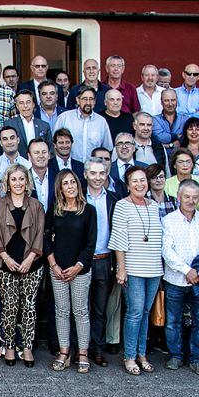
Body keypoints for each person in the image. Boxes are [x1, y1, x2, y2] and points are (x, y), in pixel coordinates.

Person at [161, 179, 199, 376]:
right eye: (186, 196)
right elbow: (166, 251)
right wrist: (186, 270)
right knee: (173, 321)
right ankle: (175, 356)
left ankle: (197, 359)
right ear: (179, 197)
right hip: (175, 279)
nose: (191, 200)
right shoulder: (168, 221)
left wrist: (198, 273)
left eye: (195, 197)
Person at [109, 166, 164, 375]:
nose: (140, 184)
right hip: (133, 268)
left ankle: (142, 354)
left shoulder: (154, 206)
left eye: (143, 180)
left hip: (153, 268)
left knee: (146, 313)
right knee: (133, 313)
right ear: (128, 184)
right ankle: (130, 356)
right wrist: (121, 269)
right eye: (135, 181)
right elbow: (119, 239)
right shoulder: (122, 206)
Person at [0, 163, 45, 366]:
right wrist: (5, 258)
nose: (18, 183)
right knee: (10, 308)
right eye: (14, 179)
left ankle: (28, 348)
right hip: (6, 265)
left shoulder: (36, 205)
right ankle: (10, 346)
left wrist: (30, 259)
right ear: (7, 182)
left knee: (29, 307)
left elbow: (40, 233)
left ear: (27, 181)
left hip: (32, 264)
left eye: (22, 179)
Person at [44, 169, 97, 373]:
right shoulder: (55, 209)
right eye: (65, 183)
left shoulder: (88, 211)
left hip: (80, 270)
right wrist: (54, 265)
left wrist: (77, 267)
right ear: (60, 187)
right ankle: (64, 351)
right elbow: (46, 239)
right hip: (57, 269)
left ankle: (82, 352)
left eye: (73, 182)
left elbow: (90, 243)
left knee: (81, 311)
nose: (70, 186)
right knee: (62, 311)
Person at [83, 157, 120, 366]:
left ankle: (97, 348)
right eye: (93, 173)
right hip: (82, 260)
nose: (98, 177)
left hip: (105, 259)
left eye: (102, 173)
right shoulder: (78, 197)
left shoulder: (114, 200)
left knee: (100, 309)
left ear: (107, 175)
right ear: (86, 174)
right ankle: (80, 347)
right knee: (80, 308)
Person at [53, 87, 113, 162]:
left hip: (93, 169)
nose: (88, 102)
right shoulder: (64, 118)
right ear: (78, 100)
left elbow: (107, 148)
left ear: (94, 102)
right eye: (85, 99)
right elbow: (53, 144)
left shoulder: (101, 122)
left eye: (91, 99)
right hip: (69, 168)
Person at [6, 90, 51, 157]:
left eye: (28, 102)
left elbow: (50, 150)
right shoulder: (9, 124)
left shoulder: (44, 125)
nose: (25, 106)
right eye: (21, 103)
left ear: (33, 104)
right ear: (17, 106)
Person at [174, 63, 199, 132]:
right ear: (183, 75)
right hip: (179, 132)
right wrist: (194, 111)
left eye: (195, 74)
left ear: (198, 77)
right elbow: (174, 111)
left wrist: (186, 116)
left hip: (197, 133)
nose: (191, 77)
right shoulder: (175, 92)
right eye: (188, 73)